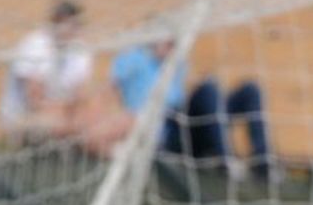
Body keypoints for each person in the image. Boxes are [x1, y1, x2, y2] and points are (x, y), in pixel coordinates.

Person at [111, 37, 272, 180]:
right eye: (168, 42)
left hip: (189, 125)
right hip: (168, 133)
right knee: (209, 90)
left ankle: (264, 163)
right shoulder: (134, 59)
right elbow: (113, 88)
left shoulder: (176, 64)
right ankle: (225, 160)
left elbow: (180, 97)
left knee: (249, 90)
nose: (172, 47)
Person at [0, 0, 131, 157]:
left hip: (65, 115)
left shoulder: (79, 49)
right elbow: (34, 101)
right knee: (75, 127)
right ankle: (111, 153)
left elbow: (81, 95)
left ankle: (105, 149)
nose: (75, 30)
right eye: (70, 24)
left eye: (78, 25)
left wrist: (88, 112)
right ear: (56, 22)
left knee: (124, 120)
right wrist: (72, 113)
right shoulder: (35, 45)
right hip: (25, 120)